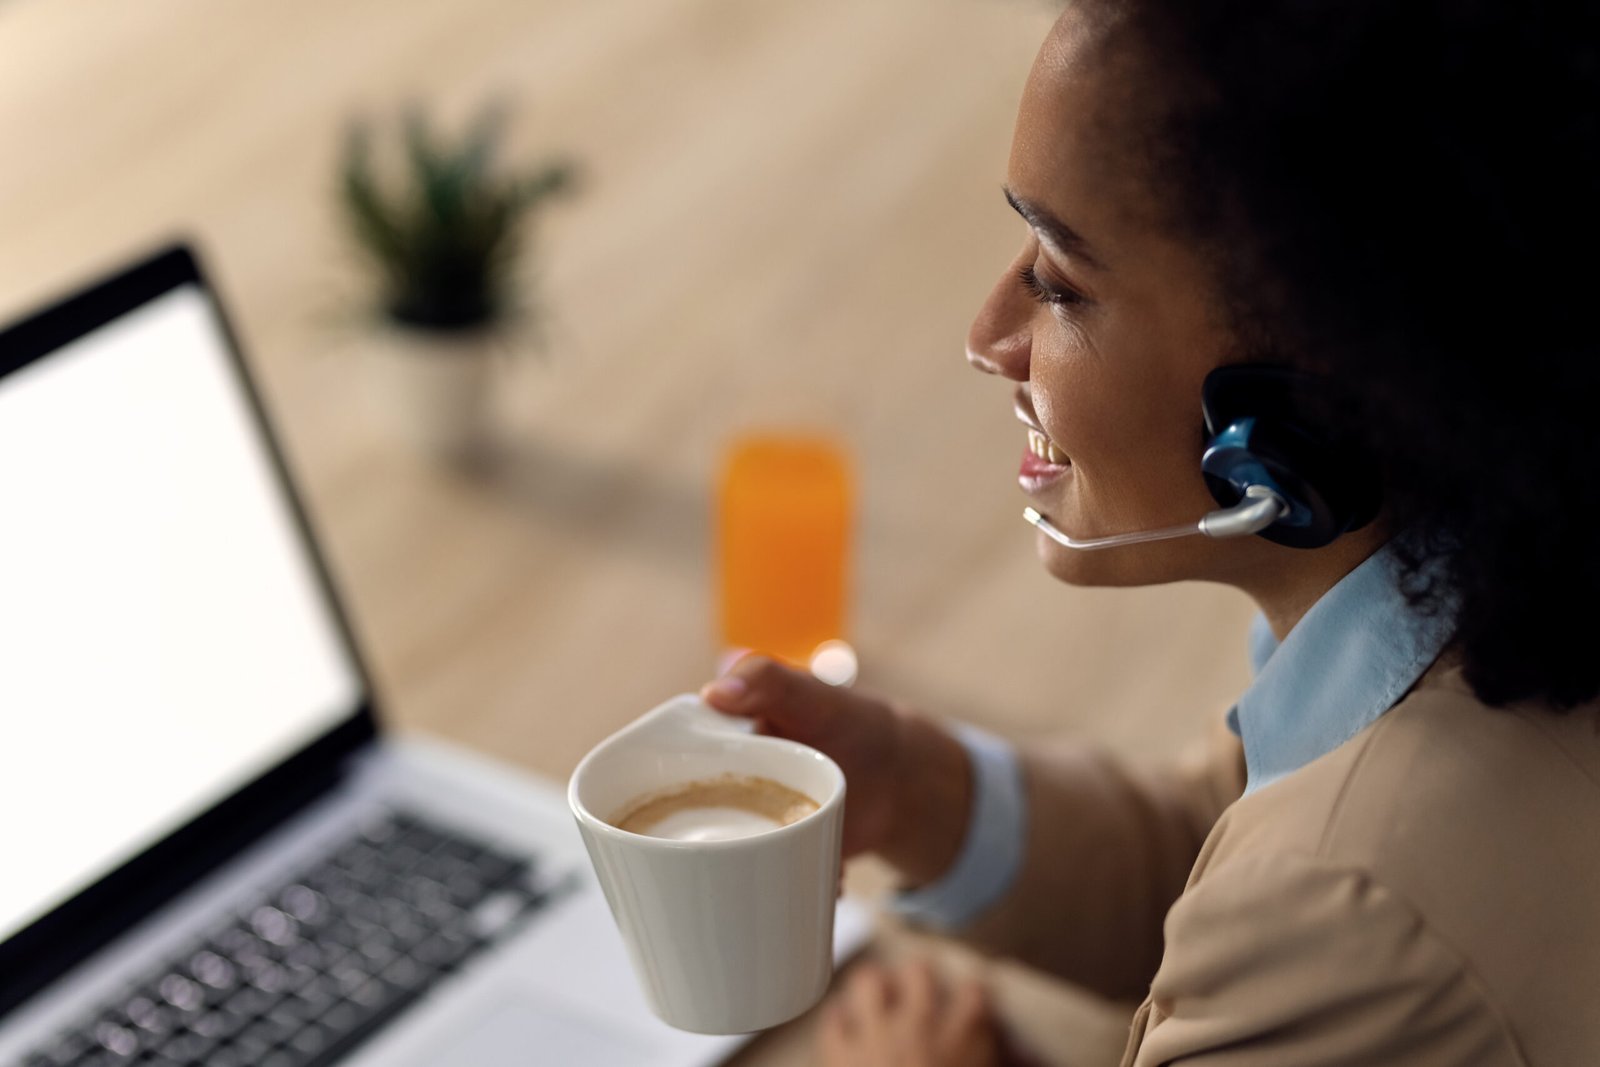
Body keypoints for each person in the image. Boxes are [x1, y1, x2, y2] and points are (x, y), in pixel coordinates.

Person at [699, 1, 1599, 1064]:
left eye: (1058, 280)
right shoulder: (1469, 580)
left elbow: (1296, 899)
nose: (988, 336)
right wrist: (916, 788)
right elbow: (1226, 846)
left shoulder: (1352, 912)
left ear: (1308, 404)